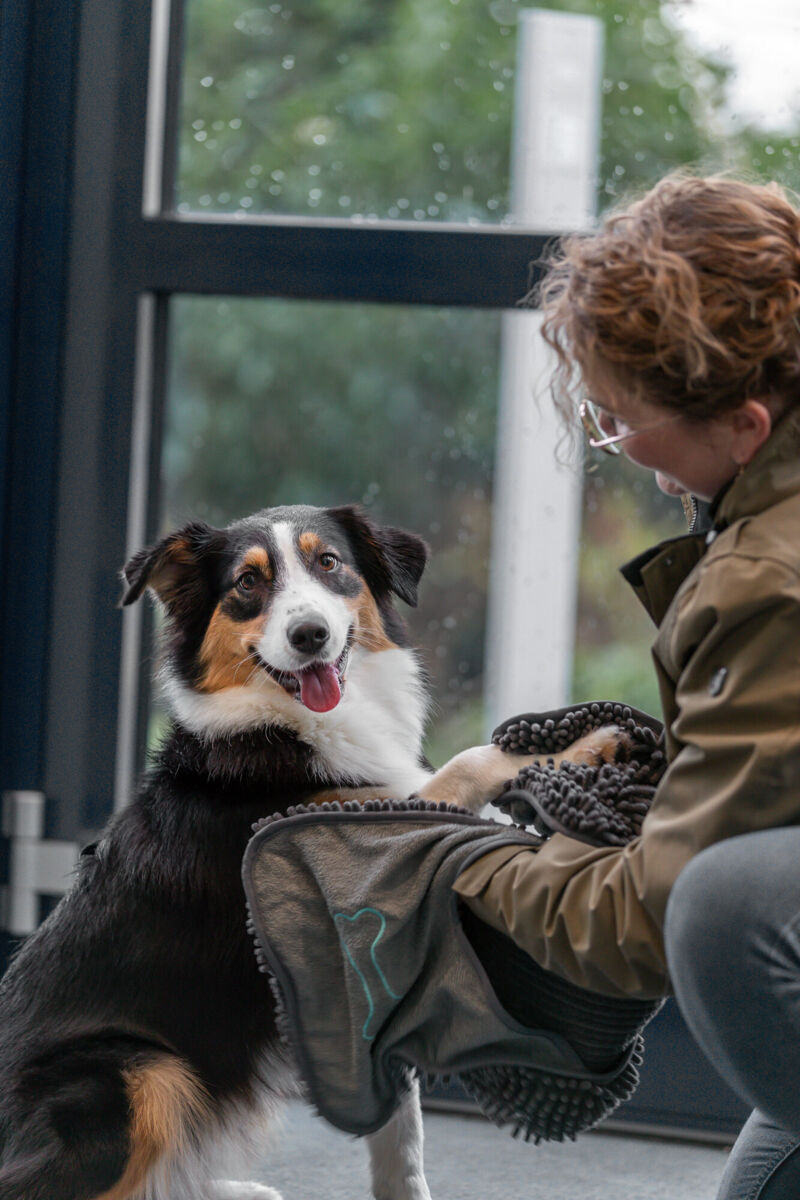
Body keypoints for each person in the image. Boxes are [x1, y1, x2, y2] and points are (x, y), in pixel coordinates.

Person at [451, 172, 800, 1198]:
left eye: (617, 421)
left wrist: (458, 857)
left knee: (726, 909)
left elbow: (648, 917)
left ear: (744, 427)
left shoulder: (768, 581)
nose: (620, 450)